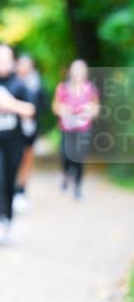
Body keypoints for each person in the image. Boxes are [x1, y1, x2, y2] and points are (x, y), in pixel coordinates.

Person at [0, 45, 36, 245]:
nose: (2, 63)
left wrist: (10, 104)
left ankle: (8, 220)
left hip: (14, 142)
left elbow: (30, 109)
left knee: (10, 180)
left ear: (12, 62)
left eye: (6, 59)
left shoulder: (20, 85)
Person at [53, 59, 100, 200]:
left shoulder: (91, 89)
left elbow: (95, 107)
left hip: (83, 128)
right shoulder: (62, 88)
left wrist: (89, 112)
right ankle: (67, 173)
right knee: (65, 155)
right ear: (71, 72)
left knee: (79, 157)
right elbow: (55, 106)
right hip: (66, 127)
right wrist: (63, 110)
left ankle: (78, 186)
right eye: (76, 70)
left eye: (81, 70)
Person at [12, 54, 48, 213]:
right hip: (13, 129)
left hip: (31, 128)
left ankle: (21, 192)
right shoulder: (11, 83)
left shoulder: (37, 84)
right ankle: (12, 190)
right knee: (14, 160)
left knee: (27, 159)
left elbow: (43, 105)